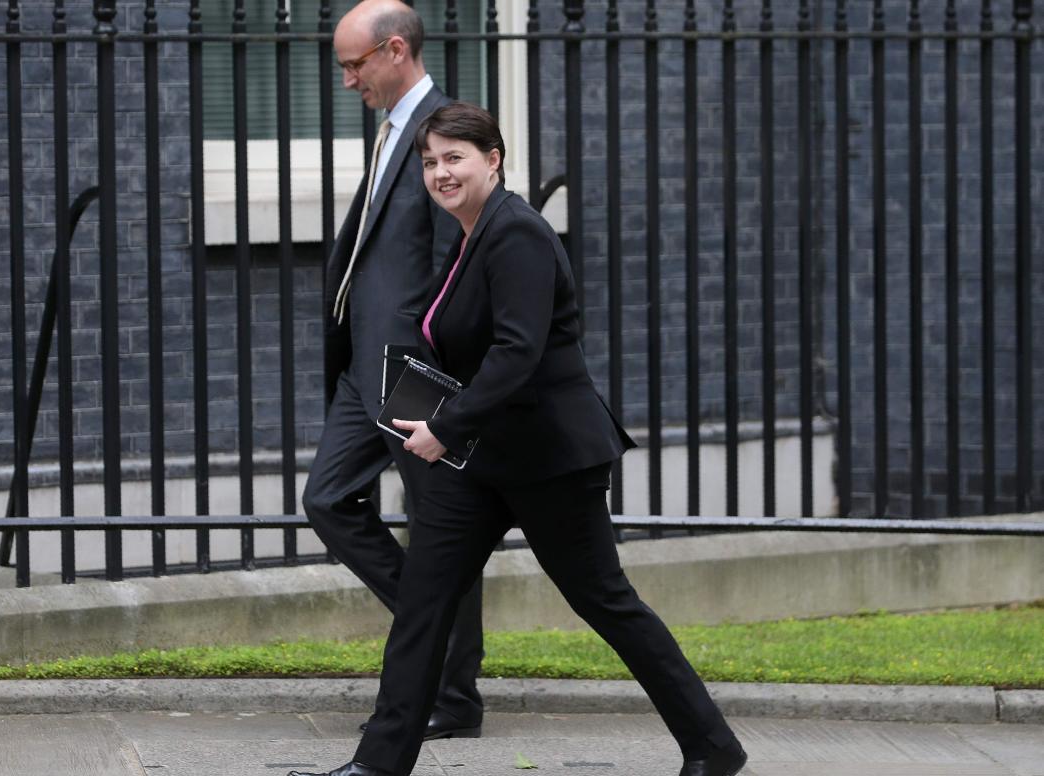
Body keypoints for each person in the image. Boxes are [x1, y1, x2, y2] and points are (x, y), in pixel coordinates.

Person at [290, 102, 748, 776]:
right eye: (430, 160)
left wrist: (443, 426)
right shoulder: (471, 233)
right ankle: (377, 766)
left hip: (548, 461)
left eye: (456, 158)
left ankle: (713, 747)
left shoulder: (517, 233)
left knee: (605, 601)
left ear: (493, 159)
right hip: (480, 464)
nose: (441, 172)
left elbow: (518, 352)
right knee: (424, 601)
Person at [300, 0, 485, 741]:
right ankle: (428, 629)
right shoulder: (391, 131)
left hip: (416, 372)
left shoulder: (443, 131)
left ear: (396, 49)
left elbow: (462, 258)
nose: (348, 81)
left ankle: (455, 698)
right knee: (328, 500)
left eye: (355, 65)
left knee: (445, 533)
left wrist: (446, 371)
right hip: (363, 366)